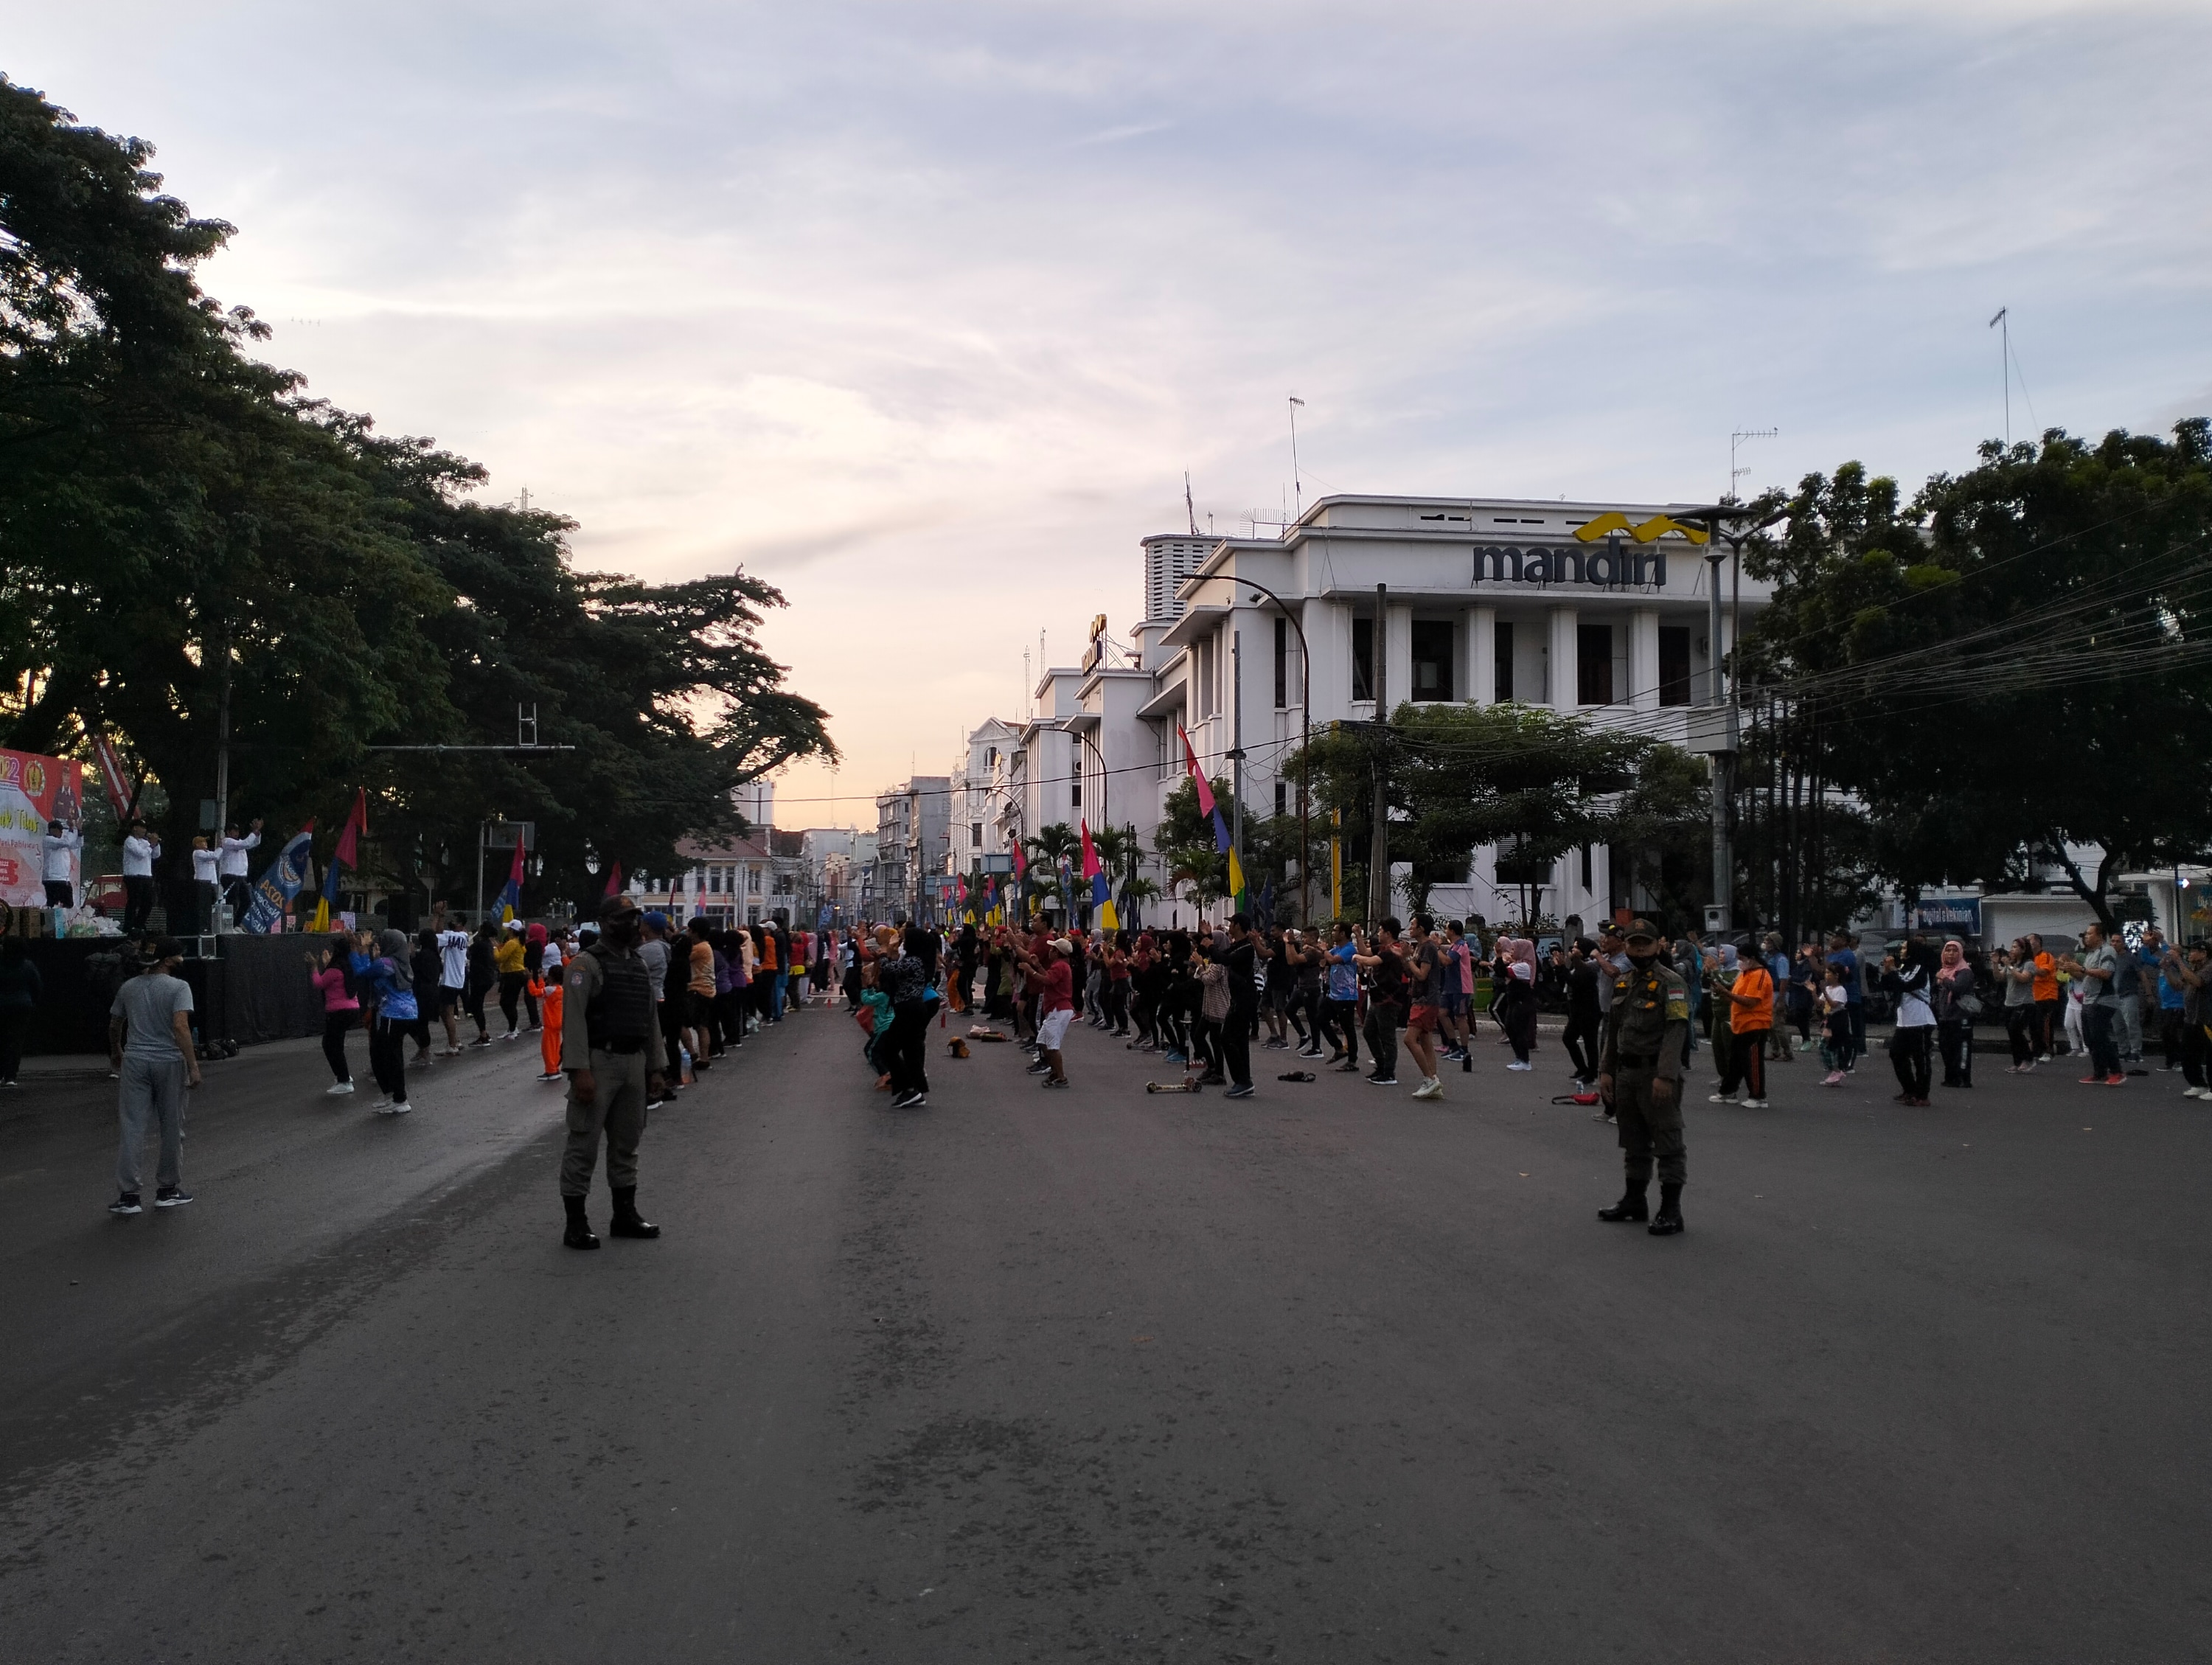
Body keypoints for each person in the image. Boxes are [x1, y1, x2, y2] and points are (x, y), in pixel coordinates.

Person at [559, 894, 668, 1250]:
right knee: (584, 1145)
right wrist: (579, 1071)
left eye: (635, 919)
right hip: (598, 1063)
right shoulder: (585, 965)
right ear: (605, 922)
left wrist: (656, 1067)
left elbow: (649, 1019)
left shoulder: (637, 965)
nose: (632, 926)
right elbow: (573, 1022)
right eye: (624, 919)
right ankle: (576, 1223)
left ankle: (625, 1215)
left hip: (634, 1062)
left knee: (627, 1144)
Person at [1595, 920, 1691, 1236]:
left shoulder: (1671, 983)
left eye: (1645, 944)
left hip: (1655, 1073)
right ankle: (1634, 1200)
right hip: (1627, 1073)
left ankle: (1670, 1210)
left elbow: (1676, 1031)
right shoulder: (1624, 982)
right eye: (1633, 944)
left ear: (1657, 946)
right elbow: (1614, 1030)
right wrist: (1606, 1070)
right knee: (1633, 1140)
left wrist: (1666, 1075)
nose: (1639, 949)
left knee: (1667, 1141)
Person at [107, 936, 201, 1215]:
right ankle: (167, 1190)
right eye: (179, 956)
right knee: (172, 1126)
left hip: (135, 1060)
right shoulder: (179, 987)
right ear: (168, 960)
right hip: (169, 1061)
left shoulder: (129, 987)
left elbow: (115, 1023)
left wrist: (116, 1050)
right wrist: (193, 1065)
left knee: (132, 1126)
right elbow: (181, 1027)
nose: (182, 960)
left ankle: (129, 1196)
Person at [358, 930, 420, 1114]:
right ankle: (392, 1095)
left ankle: (400, 1099)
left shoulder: (387, 963)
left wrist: (361, 949)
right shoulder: (400, 962)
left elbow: (363, 972)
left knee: (391, 1056)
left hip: (395, 1013)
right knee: (380, 1052)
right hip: (402, 1012)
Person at [2059, 924, 2125, 1086]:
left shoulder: (2107, 951)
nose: (2086, 937)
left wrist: (2081, 968)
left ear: (2100, 936)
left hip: (2103, 1000)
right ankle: (2099, 1072)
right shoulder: (2091, 954)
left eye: (2089, 934)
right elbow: (2084, 978)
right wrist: (2069, 968)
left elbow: (2106, 973)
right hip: (2088, 1000)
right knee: (2090, 1038)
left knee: (2100, 1037)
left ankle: (2117, 1071)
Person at [1879, 938, 1938, 1106]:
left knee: (1921, 1058)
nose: (1901, 951)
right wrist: (1887, 971)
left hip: (1919, 1018)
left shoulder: (1919, 968)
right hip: (1905, 1019)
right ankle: (1909, 1089)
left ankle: (1922, 1094)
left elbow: (1905, 984)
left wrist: (1894, 971)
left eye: (1904, 948)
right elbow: (1888, 985)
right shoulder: (1904, 967)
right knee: (1897, 1053)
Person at [1714, 945, 1773, 1108]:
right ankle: (1728, 1091)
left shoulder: (1760, 975)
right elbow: (1736, 998)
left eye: (1741, 959)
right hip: (1741, 1024)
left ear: (1751, 958)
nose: (1739, 962)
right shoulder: (1745, 974)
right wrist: (1723, 993)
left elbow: (1751, 1002)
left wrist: (1726, 993)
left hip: (1755, 1023)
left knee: (1752, 1062)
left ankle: (1758, 1096)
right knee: (1736, 1061)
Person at [1353, 920, 1408, 1088]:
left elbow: (1369, 961)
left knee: (1388, 1037)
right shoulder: (1382, 949)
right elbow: (1366, 952)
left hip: (1389, 999)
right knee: (1369, 1032)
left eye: (1381, 931)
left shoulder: (1392, 951)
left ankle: (1389, 1072)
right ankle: (1381, 1064)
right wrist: (1358, 936)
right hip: (1377, 999)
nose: (1378, 934)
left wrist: (1356, 957)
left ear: (1389, 934)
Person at [308, 931, 361, 1094]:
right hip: (352, 1009)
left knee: (330, 1045)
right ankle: (343, 1076)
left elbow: (319, 983)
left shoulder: (335, 969)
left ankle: (344, 1080)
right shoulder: (348, 965)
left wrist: (315, 966)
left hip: (338, 1012)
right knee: (337, 1044)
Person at [1401, 915, 1446, 1099]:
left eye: (1413, 925)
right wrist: (1406, 959)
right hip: (1419, 998)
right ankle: (1433, 1079)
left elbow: (1421, 975)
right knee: (1426, 1040)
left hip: (1426, 999)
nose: (1410, 928)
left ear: (1422, 928)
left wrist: (1408, 958)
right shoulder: (1419, 947)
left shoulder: (1427, 947)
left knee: (1410, 1039)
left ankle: (1429, 1080)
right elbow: (1411, 972)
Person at [1216, 914, 1259, 1099]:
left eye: (1231, 923)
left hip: (1244, 998)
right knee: (1240, 1040)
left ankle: (1242, 1080)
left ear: (1238, 925)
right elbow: (1221, 956)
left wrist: (1210, 946)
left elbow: (1225, 961)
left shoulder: (1247, 948)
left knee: (1227, 1038)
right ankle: (1244, 1080)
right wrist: (1206, 943)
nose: (1229, 927)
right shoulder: (1237, 945)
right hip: (1239, 997)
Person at [1026, 936, 1076, 1090]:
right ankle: (1055, 1072)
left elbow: (1048, 981)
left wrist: (1031, 971)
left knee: (1052, 1046)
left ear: (1057, 952)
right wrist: (1038, 966)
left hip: (1058, 1009)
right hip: (1056, 1009)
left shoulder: (1060, 966)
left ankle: (1061, 1076)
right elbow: (1049, 977)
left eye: (1052, 949)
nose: (1050, 952)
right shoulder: (1060, 965)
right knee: (1043, 1042)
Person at [0, 937, 44, 1087]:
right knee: (16, 1041)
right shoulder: (28, 965)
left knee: (2, 1039)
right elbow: (37, 985)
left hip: (2, 1005)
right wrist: (33, 1001)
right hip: (22, 1006)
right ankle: (11, 1076)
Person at [1934, 939, 1978, 1088]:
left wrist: (1944, 979)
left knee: (1961, 1048)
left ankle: (1962, 1078)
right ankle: (1951, 1077)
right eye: (1948, 950)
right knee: (1945, 1047)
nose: (1951, 954)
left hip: (1961, 1017)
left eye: (1954, 951)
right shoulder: (1944, 971)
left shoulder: (1964, 971)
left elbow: (1957, 988)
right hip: (1946, 1017)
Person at [1562, 938, 1602, 1088]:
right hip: (1576, 1008)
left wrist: (1561, 967)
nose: (1573, 949)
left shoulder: (1591, 965)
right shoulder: (1577, 964)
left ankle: (1591, 1074)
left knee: (1590, 1042)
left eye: (1577, 947)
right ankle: (1582, 1068)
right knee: (1568, 1038)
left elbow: (1575, 980)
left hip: (1590, 1008)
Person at [1998, 939, 2038, 1071]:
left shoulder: (2029, 964)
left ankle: (2028, 1059)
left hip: (2024, 1003)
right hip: (2009, 1003)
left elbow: (2023, 978)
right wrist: (1995, 964)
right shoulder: (2012, 964)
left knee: (2016, 1030)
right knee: (2011, 1032)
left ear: (2023, 949)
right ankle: (2017, 1061)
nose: (2012, 949)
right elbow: (1999, 978)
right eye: (2012, 946)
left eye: (2015, 947)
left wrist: (2009, 966)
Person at [1827, 933, 1864, 1070]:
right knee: (1838, 1031)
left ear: (1843, 941)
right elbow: (1823, 970)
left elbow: (1836, 970)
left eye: (1835, 937)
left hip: (1849, 996)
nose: (1831, 940)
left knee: (1849, 1032)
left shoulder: (1848, 955)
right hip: (1835, 994)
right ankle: (1840, 1060)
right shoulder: (1831, 954)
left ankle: (1849, 1062)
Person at [119, 818, 161, 934]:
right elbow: (141, 854)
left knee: (148, 903)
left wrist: (156, 844)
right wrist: (151, 845)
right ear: (135, 828)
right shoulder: (130, 841)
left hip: (146, 876)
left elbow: (156, 855)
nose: (144, 830)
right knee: (134, 902)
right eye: (142, 827)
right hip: (133, 876)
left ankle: (139, 924)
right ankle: (128, 926)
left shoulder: (145, 842)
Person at [218, 819, 263, 923]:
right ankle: (227, 924)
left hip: (240, 877)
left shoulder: (239, 843)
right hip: (230, 876)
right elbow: (245, 844)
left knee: (246, 901)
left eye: (237, 831)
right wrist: (254, 831)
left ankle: (236, 924)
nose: (237, 833)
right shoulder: (227, 842)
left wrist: (257, 833)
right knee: (232, 902)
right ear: (228, 832)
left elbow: (255, 843)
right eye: (234, 831)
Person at [1818, 963, 1853, 1085]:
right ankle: (1834, 1070)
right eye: (1826, 973)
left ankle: (1837, 1069)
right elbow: (1820, 1003)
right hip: (1829, 1018)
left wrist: (1824, 992)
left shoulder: (1840, 990)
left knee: (1832, 1045)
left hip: (1838, 1019)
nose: (1826, 975)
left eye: (1829, 973)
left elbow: (1834, 1005)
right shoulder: (1828, 989)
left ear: (1836, 976)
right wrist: (1813, 992)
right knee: (1823, 1046)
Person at [495, 922, 529, 1040]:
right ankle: (512, 1028)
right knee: (511, 1002)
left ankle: (513, 1029)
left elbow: (500, 958)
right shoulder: (519, 943)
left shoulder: (512, 943)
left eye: (508, 929)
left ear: (512, 931)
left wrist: (495, 948)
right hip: (517, 974)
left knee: (505, 1002)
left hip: (512, 974)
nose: (507, 931)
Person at [42, 817, 82, 908]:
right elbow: (67, 842)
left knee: (69, 905)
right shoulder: (48, 840)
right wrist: (71, 829)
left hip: (64, 879)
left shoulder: (61, 842)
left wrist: (80, 832)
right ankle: (52, 922)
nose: (61, 834)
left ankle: (64, 922)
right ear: (53, 830)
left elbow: (77, 844)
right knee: (53, 906)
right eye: (60, 831)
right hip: (52, 879)